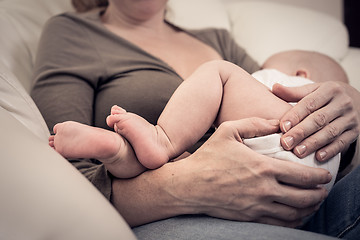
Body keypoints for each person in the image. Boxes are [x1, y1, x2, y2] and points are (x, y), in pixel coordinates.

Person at [31, 0, 360, 238]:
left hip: (297, 201)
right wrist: (185, 184)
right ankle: (135, 148)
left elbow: (272, 97)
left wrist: (348, 104)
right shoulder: (72, 32)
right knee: (127, 153)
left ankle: (136, 146)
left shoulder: (219, 40)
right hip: (175, 216)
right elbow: (63, 174)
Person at [48, 50, 344, 193]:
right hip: (306, 189)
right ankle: (117, 150)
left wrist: (352, 99)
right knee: (172, 161)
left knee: (221, 73)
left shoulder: (284, 82)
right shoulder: (72, 34)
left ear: (302, 76)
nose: (257, 74)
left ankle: (161, 137)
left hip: (291, 147)